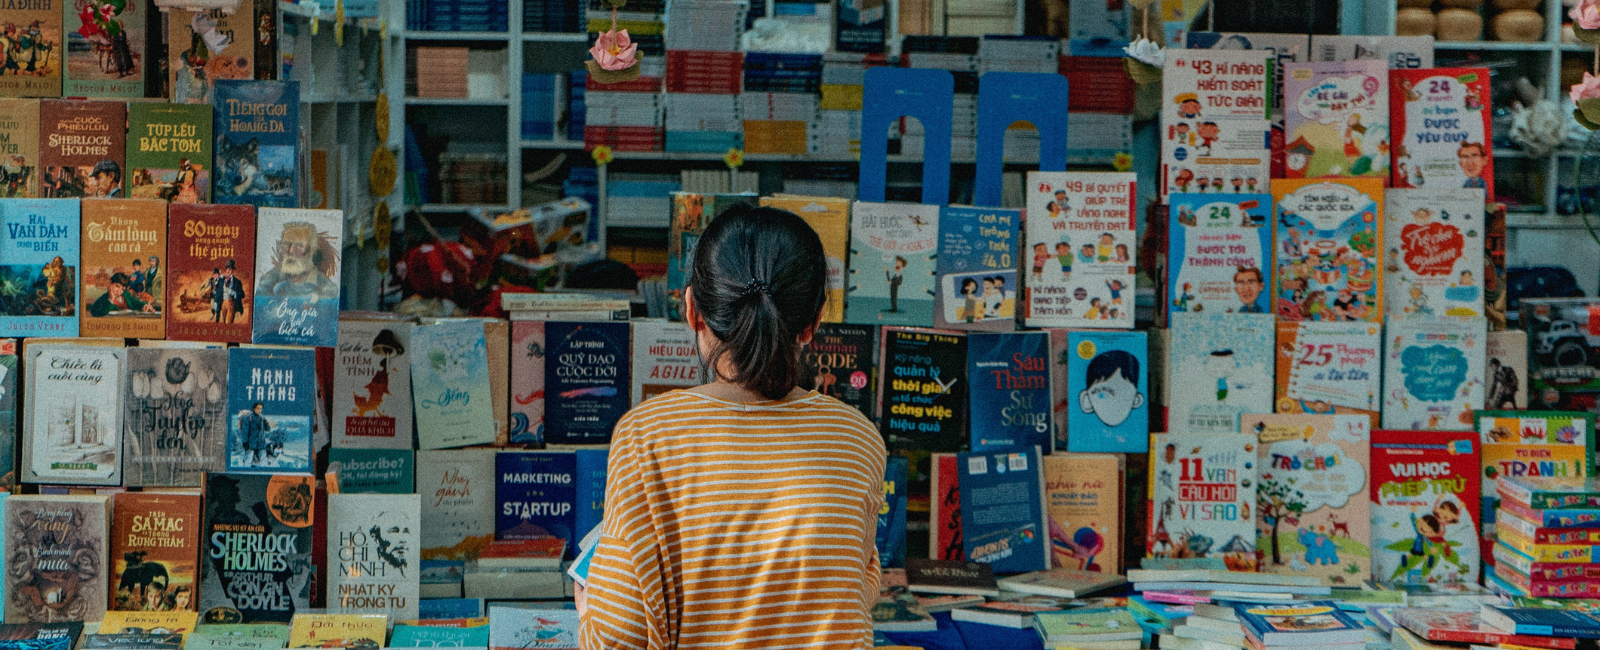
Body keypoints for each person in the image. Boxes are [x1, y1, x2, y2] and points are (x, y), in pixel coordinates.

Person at [578, 205, 887, 650]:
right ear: (815, 322)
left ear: (692, 310)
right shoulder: (857, 437)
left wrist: (588, 610)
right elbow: (853, 589)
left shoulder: (645, 434)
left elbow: (618, 637)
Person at [89, 272, 154, 317]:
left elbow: (135, 302)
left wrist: (144, 306)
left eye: (122, 289)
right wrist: (111, 299)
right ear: (111, 285)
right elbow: (94, 312)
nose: (119, 292)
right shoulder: (104, 298)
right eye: (117, 286)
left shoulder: (126, 294)